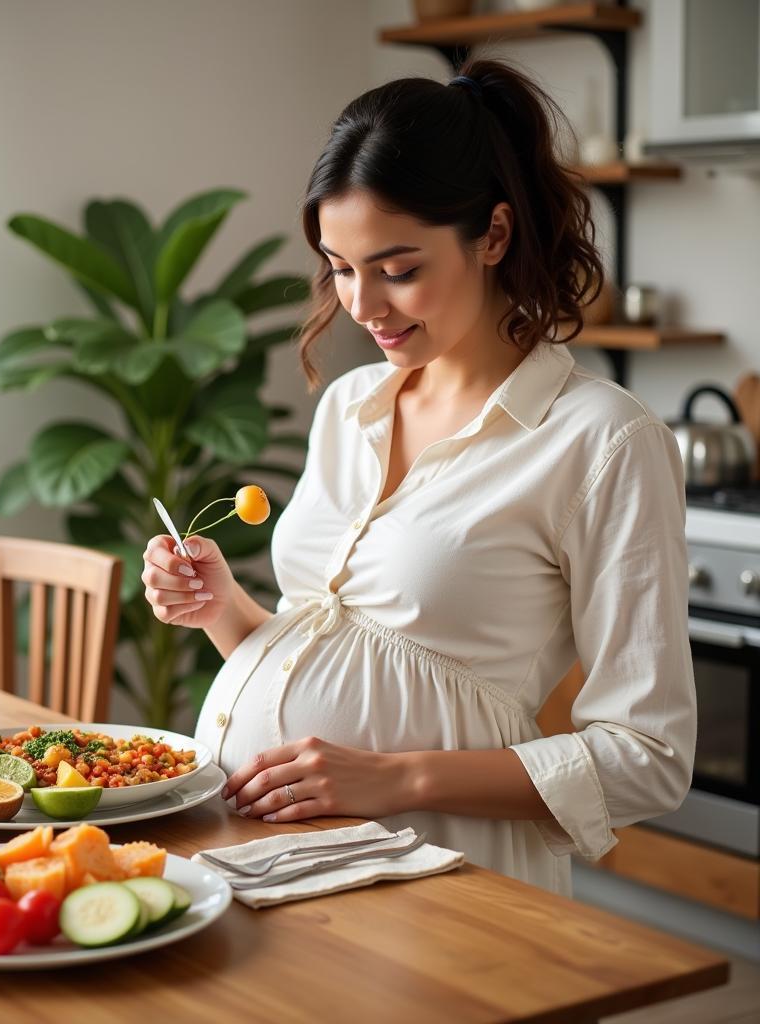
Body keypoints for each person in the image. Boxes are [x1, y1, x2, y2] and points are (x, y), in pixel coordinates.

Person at [140, 59, 696, 897]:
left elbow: (648, 758)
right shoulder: (352, 405)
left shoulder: (603, 442)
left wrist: (396, 779)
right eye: (340, 266)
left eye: (397, 268)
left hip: (442, 882)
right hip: (266, 865)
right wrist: (224, 611)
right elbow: (335, 653)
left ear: (494, 236)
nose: (364, 306)